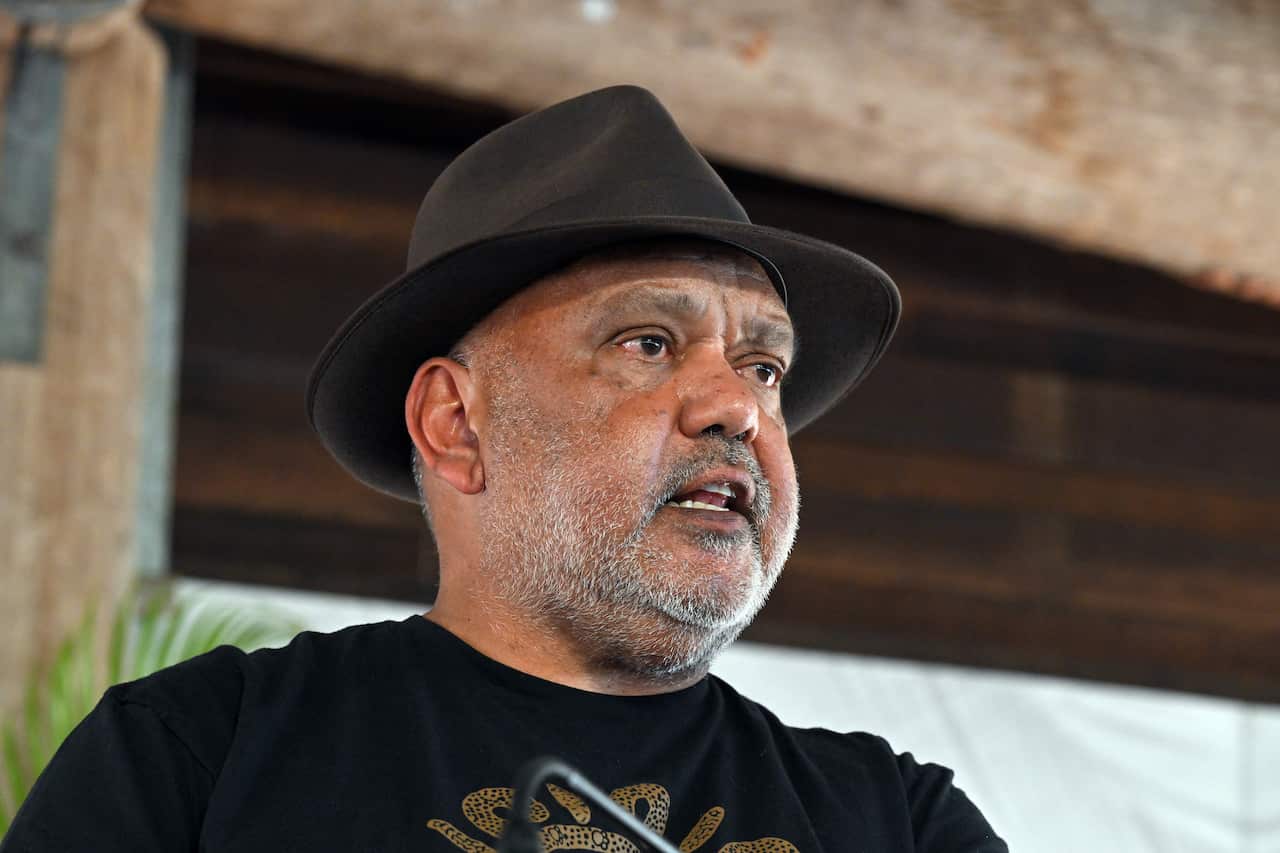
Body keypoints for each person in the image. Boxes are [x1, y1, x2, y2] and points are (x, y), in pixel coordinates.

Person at [2, 86, 1007, 852]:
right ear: (454, 423)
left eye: (762, 364)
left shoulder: (895, 822)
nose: (738, 406)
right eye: (647, 342)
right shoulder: (196, 755)